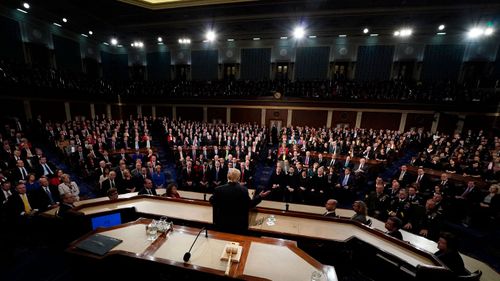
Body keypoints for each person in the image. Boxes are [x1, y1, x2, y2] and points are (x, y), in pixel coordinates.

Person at [210, 168, 270, 234]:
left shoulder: (218, 190)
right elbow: (249, 204)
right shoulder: (243, 190)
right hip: (238, 226)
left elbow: (212, 201)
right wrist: (260, 196)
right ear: (238, 178)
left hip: (222, 224)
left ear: (227, 176)